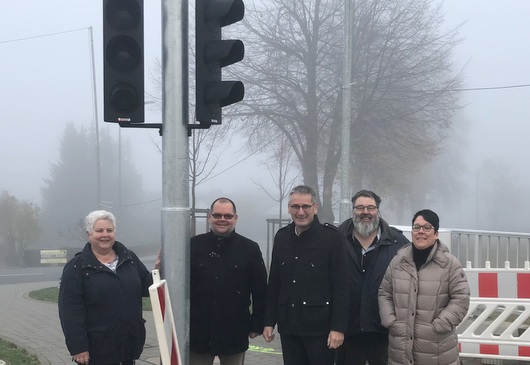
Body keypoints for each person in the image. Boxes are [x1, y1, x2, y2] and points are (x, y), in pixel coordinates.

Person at [262, 185, 349, 365]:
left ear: (315, 208)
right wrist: (269, 321)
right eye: (295, 207)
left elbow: (341, 286)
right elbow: (275, 283)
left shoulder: (332, 238)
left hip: (320, 330)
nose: (300, 212)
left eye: (306, 207)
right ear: (289, 208)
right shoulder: (282, 237)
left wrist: (338, 328)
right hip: (289, 328)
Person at [58, 210, 153, 365]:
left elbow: (146, 287)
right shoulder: (76, 267)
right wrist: (78, 347)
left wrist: (160, 269)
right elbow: (70, 310)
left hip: (129, 346)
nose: (105, 235)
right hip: (97, 350)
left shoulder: (129, 258)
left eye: (109, 230)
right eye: (99, 230)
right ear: (89, 234)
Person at [378, 209, 470, 365]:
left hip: (437, 350)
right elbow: (384, 293)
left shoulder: (449, 264)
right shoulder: (398, 262)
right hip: (400, 349)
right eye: (416, 227)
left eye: (427, 227)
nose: (421, 232)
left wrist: (438, 327)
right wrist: (391, 321)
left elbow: (461, 299)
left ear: (436, 233)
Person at [188, 197, 268, 365]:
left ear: (235, 219)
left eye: (228, 216)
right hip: (198, 332)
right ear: (210, 217)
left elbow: (260, 290)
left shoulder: (250, 249)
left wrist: (257, 323)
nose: (222, 219)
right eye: (217, 215)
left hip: (234, 331)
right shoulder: (192, 246)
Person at [337, 190, 409, 365]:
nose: (365, 212)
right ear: (353, 210)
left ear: (378, 210)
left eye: (370, 208)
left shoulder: (397, 242)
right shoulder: (336, 239)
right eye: (360, 207)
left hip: (383, 331)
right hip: (347, 331)